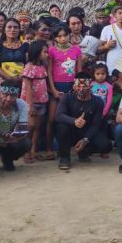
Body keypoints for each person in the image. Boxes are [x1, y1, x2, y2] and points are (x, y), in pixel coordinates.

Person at [55, 72, 112, 170]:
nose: (81, 89)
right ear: (74, 86)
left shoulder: (98, 101)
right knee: (61, 127)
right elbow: (59, 115)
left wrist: (85, 140)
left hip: (87, 132)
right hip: (71, 131)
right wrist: (74, 121)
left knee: (106, 145)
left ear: (90, 87)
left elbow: (95, 125)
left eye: (84, 87)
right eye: (78, 86)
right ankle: (65, 157)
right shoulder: (67, 97)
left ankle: (83, 151)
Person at [46, 26, 84, 161]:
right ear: (55, 38)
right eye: (59, 36)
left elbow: (79, 72)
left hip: (72, 88)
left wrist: (77, 87)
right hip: (56, 88)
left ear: (69, 35)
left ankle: (74, 148)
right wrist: (53, 90)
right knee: (52, 119)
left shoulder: (76, 50)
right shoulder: (51, 51)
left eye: (65, 35)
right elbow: (49, 72)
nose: (62, 38)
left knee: (73, 118)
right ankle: (50, 148)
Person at [0, 79, 30, 171]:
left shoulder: (23, 105)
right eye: (5, 95)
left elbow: (24, 127)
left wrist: (18, 136)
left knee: (26, 143)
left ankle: (8, 159)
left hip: (9, 137)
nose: (8, 99)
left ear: (17, 96)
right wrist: (2, 134)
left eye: (13, 96)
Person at [22, 41, 52, 161]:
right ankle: (26, 152)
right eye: (44, 52)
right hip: (31, 103)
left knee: (37, 128)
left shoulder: (42, 66)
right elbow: (28, 87)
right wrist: (30, 106)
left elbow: (43, 83)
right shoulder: (29, 67)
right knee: (30, 127)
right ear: (36, 53)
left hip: (42, 101)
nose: (47, 54)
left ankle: (33, 151)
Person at [0, 19, 27, 94]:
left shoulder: (25, 46)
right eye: (9, 27)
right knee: (4, 102)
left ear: (19, 30)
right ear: (4, 30)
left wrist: (21, 77)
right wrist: (10, 78)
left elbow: (28, 64)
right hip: (3, 81)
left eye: (15, 27)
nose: (12, 29)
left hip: (21, 81)